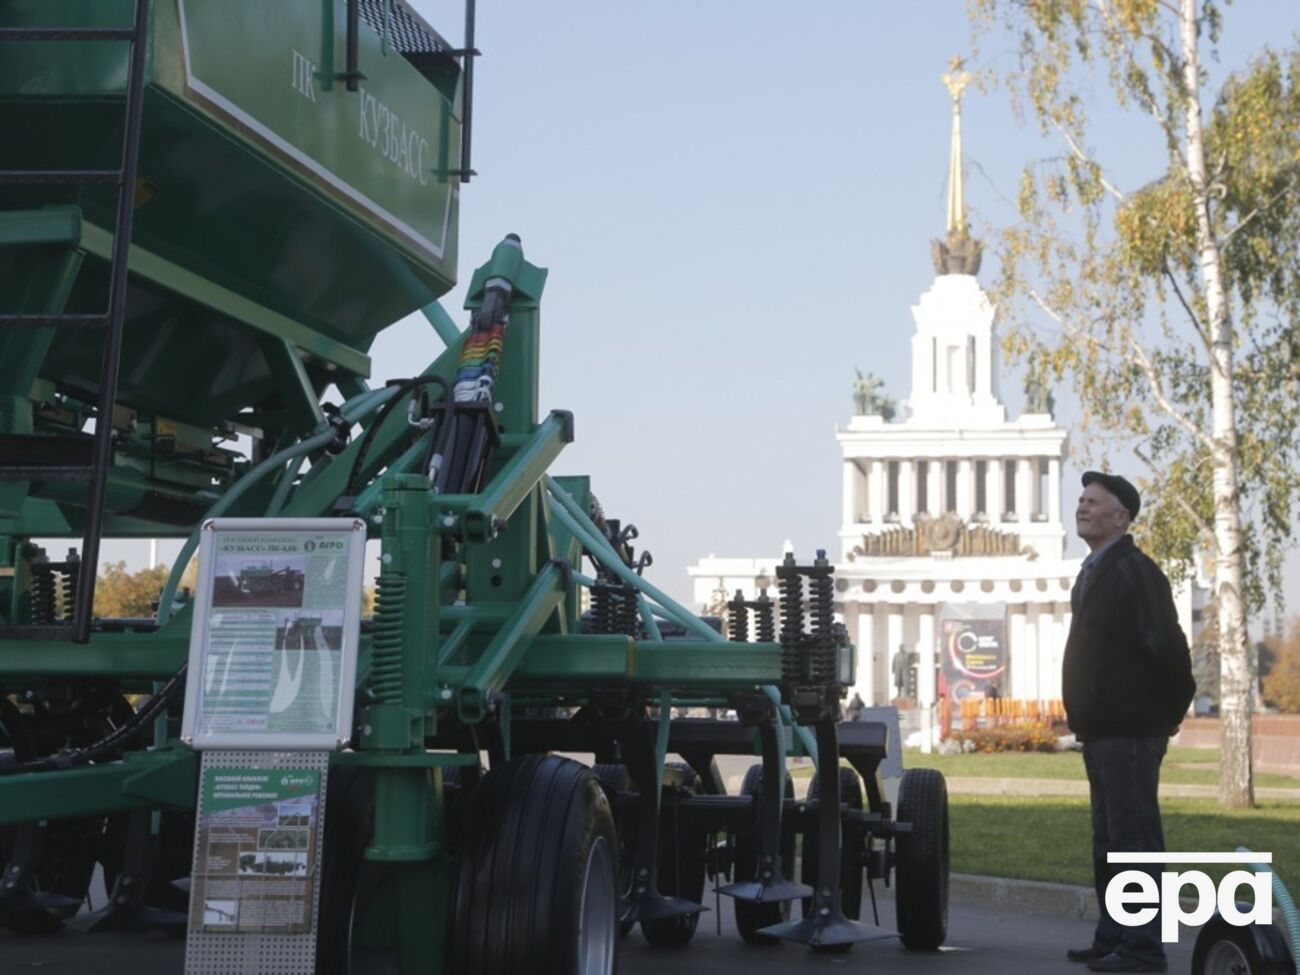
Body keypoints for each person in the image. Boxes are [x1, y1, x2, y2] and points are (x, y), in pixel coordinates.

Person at [1062, 472, 1196, 974]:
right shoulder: (1094, 571)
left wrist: (1167, 714)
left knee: (1135, 839)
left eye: (1093, 501)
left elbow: (1168, 647)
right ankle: (1114, 936)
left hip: (1131, 731)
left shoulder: (1133, 571)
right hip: (1102, 732)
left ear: (1121, 517)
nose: (1082, 506)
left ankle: (1142, 949)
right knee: (1110, 841)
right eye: (1081, 499)